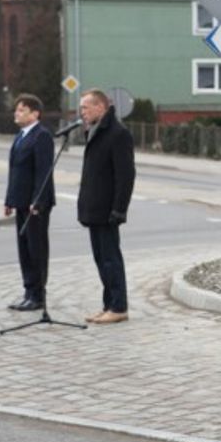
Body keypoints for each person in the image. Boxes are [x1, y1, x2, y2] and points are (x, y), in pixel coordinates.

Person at [78, 89, 136, 326]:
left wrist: (119, 209)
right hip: (95, 208)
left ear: (100, 107)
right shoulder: (95, 132)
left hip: (107, 210)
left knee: (111, 259)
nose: (82, 112)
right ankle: (108, 304)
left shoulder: (117, 134)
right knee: (101, 259)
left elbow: (126, 176)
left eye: (85, 108)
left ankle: (119, 306)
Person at [3, 94, 56, 312]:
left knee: (36, 249)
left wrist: (38, 201)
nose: (17, 113)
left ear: (35, 114)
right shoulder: (20, 136)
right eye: (16, 110)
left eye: (22, 110)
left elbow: (44, 172)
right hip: (20, 201)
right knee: (24, 249)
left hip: (36, 204)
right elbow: (14, 172)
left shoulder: (41, 136)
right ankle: (28, 291)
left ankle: (38, 295)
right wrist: (9, 200)